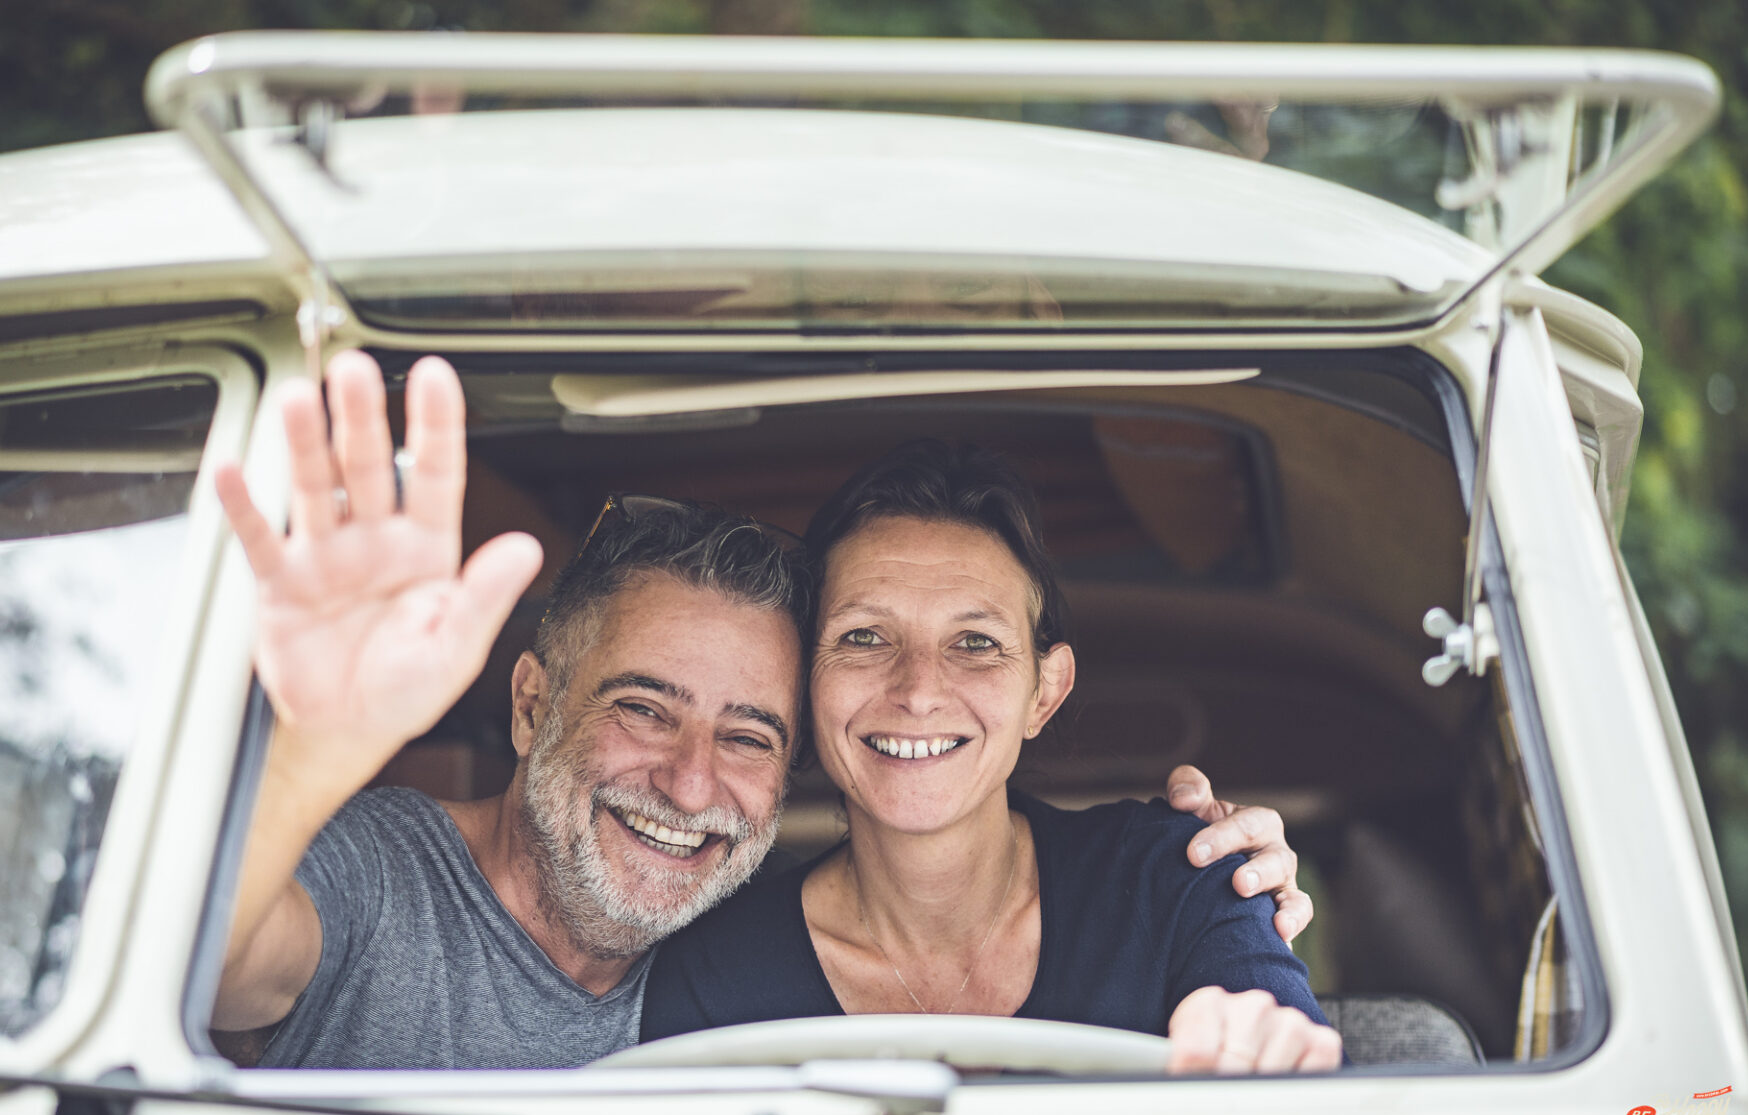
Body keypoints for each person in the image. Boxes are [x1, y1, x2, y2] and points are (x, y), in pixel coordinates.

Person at [211, 351, 1317, 1070]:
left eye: (746, 734)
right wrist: (320, 747)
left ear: (1047, 687)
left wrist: (1248, 998)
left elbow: (1282, 1052)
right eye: (645, 710)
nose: (692, 785)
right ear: (532, 701)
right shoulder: (400, 878)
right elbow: (215, 965)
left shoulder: (690, 937)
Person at [641, 440, 1342, 1073]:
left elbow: (1307, 1113)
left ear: (1045, 692)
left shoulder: (1177, 879)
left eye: (974, 643)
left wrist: (1261, 1048)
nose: (918, 691)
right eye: (864, 637)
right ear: (805, 684)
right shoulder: (716, 963)